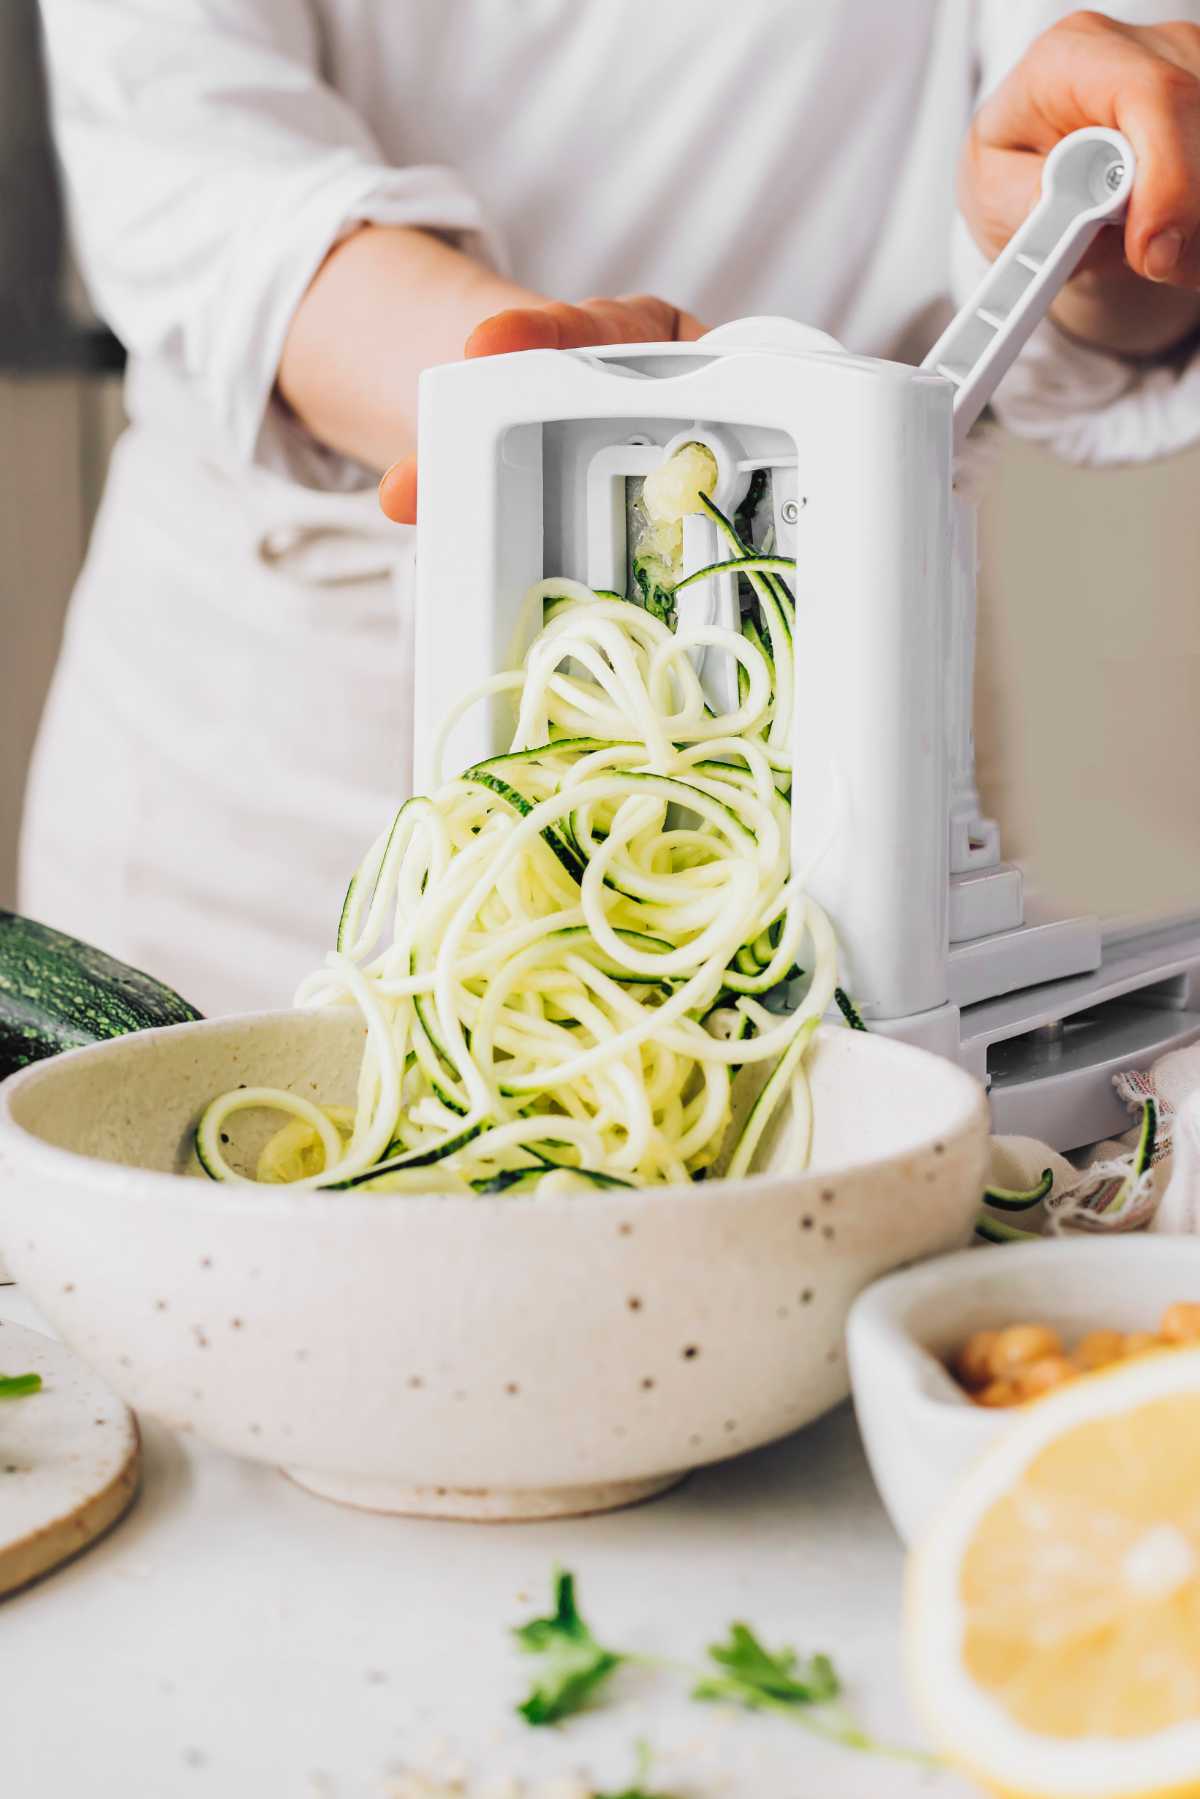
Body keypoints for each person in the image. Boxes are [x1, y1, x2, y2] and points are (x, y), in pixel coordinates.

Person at [24, 1, 1200, 1015]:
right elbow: (200, 172)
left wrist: (1100, 220)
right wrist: (537, 410)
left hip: (839, 723)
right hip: (258, 776)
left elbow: (1103, 198)